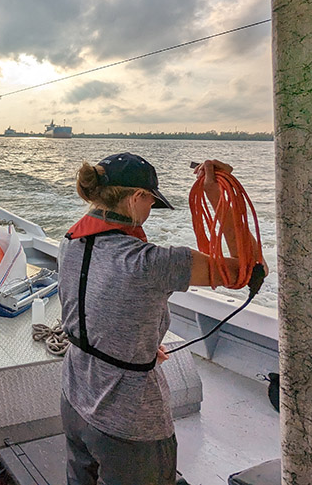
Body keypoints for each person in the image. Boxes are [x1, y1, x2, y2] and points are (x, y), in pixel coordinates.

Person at [58, 153, 265, 485]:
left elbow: (88, 305)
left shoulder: (70, 243)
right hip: (128, 422)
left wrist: (132, 345)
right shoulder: (150, 263)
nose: (150, 213)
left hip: (74, 398)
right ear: (137, 197)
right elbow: (248, 269)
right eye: (151, 203)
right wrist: (216, 196)